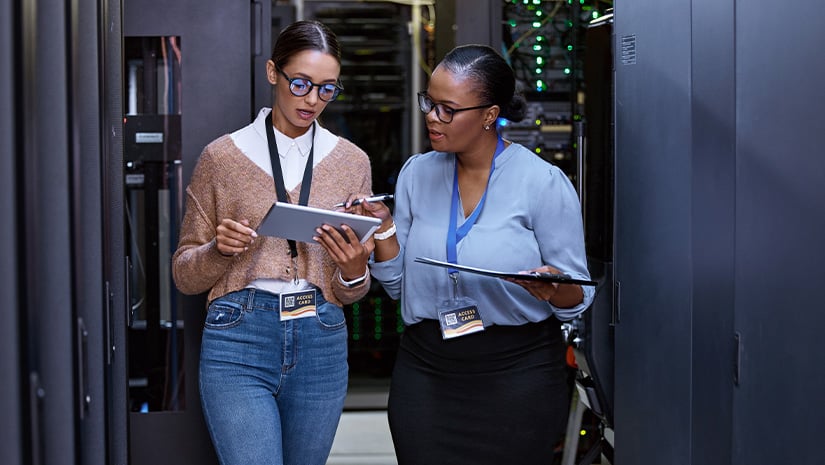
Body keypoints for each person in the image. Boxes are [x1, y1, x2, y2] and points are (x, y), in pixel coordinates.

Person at [330, 44, 595, 464]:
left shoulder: (543, 182)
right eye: (429, 104)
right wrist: (384, 227)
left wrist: (550, 287)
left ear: (489, 115)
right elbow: (399, 286)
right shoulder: (417, 173)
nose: (432, 117)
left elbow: (576, 299)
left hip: (516, 373)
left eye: (447, 109)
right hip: (427, 370)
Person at [171, 20, 375, 465]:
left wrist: (355, 269)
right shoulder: (222, 157)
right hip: (239, 337)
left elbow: (351, 290)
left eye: (327, 89)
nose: (312, 100)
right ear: (272, 73)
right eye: (300, 83)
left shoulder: (351, 161)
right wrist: (217, 250)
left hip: (322, 336)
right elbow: (185, 274)